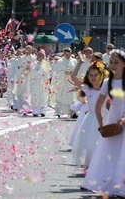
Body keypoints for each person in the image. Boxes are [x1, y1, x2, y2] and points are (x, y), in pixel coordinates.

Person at [81, 49, 125, 196]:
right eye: (111, 62)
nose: (113, 65)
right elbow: (97, 107)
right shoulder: (107, 82)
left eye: (116, 62)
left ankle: (121, 188)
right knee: (109, 154)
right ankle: (108, 184)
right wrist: (102, 126)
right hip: (112, 122)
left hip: (123, 121)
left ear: (124, 64)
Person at [70, 51, 108, 167]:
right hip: (91, 118)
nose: (93, 78)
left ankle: (100, 165)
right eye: (90, 75)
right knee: (89, 143)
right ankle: (88, 164)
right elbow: (73, 76)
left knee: (101, 143)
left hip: (104, 118)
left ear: (101, 75)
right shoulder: (87, 88)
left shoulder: (106, 88)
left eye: (96, 75)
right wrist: (79, 63)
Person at [51, 48, 77, 118]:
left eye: (69, 54)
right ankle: (59, 112)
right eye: (66, 54)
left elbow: (77, 70)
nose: (67, 56)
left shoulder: (74, 61)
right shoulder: (60, 61)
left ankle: (72, 112)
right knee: (61, 96)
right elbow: (56, 72)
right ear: (64, 53)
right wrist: (64, 72)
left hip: (71, 82)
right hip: (62, 82)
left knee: (72, 97)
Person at [30, 50, 51, 117]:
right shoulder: (34, 63)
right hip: (35, 83)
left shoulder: (46, 64)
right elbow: (31, 72)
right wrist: (37, 73)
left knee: (43, 96)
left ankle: (43, 111)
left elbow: (49, 73)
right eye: (38, 55)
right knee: (35, 96)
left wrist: (42, 74)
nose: (39, 57)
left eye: (41, 55)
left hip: (43, 83)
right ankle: (35, 111)